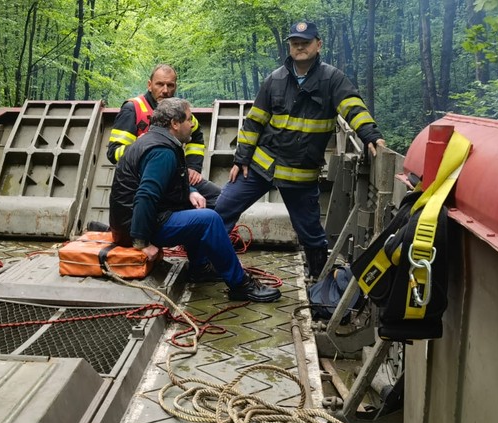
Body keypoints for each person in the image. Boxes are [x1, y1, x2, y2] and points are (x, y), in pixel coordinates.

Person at [214, 21, 386, 279]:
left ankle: (318, 277)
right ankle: (208, 262)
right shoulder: (275, 79)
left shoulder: (332, 79)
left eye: (305, 42)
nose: (300, 46)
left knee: (310, 232)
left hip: (299, 174)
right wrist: (242, 158)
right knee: (223, 208)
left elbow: (353, 107)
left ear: (318, 44)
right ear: (290, 47)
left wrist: (370, 134)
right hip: (263, 165)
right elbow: (254, 121)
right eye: (295, 42)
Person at [109, 98, 280, 303]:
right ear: (174, 123)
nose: (192, 124)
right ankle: (241, 285)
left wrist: (189, 191)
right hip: (135, 228)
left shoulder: (153, 140)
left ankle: (200, 269)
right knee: (209, 219)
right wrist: (141, 242)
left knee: (198, 206)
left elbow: (167, 181)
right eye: (189, 119)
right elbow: (146, 195)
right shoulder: (162, 151)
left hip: (133, 221)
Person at [107, 64, 221, 207]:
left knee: (220, 199)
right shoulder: (133, 109)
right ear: (149, 85)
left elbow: (196, 134)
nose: (165, 90)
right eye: (160, 84)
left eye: (170, 85)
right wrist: (138, 146)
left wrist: (193, 167)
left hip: (174, 177)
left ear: (175, 87)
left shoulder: (178, 109)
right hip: (142, 180)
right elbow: (113, 153)